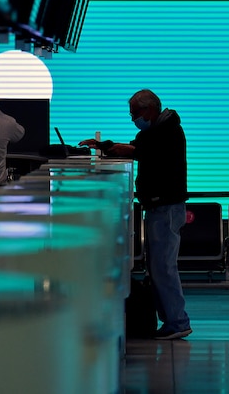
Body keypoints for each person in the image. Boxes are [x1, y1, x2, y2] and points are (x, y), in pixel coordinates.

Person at [79, 89, 192, 340]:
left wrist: (103, 147)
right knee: (159, 267)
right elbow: (135, 146)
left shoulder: (166, 131)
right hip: (160, 207)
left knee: (163, 267)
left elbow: (133, 149)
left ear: (149, 109)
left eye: (135, 113)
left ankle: (177, 321)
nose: (132, 118)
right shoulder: (160, 130)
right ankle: (172, 320)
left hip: (165, 207)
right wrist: (107, 146)